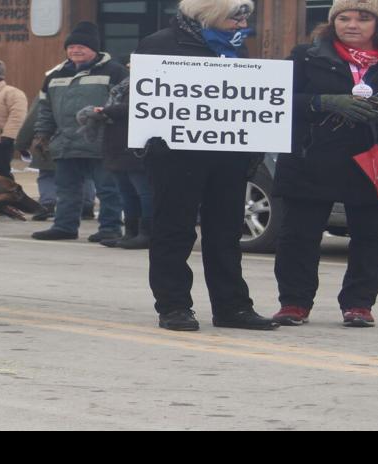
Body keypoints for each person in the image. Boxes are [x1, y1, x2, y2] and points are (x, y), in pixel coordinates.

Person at [272, 0, 378, 328]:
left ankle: (358, 305)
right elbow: (277, 98)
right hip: (312, 158)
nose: (352, 24)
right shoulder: (306, 56)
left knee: (372, 236)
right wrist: (322, 102)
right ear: (332, 22)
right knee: (298, 235)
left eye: (363, 18)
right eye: (344, 17)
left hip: (373, 160)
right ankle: (294, 303)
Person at [136, 0, 279, 331]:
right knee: (175, 230)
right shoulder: (161, 44)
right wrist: (150, 137)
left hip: (227, 156)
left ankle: (232, 307)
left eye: (245, 14)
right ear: (208, 13)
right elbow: (143, 95)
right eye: (235, 14)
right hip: (176, 155)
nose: (242, 20)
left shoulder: (236, 49)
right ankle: (174, 306)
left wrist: (253, 144)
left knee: (226, 232)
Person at [30, 22, 124, 243]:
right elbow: (45, 109)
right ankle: (64, 227)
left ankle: (110, 229)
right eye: (71, 47)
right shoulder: (54, 75)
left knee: (108, 189)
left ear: (95, 49)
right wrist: (42, 135)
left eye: (82, 46)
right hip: (66, 142)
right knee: (66, 189)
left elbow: (123, 105)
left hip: (102, 142)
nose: (75, 50)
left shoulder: (116, 71)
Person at [88, 77, 153, 249]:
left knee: (144, 193)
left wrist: (107, 111)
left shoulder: (152, 82)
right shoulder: (122, 86)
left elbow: (141, 107)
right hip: (117, 146)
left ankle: (147, 233)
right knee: (126, 192)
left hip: (137, 147)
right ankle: (131, 232)